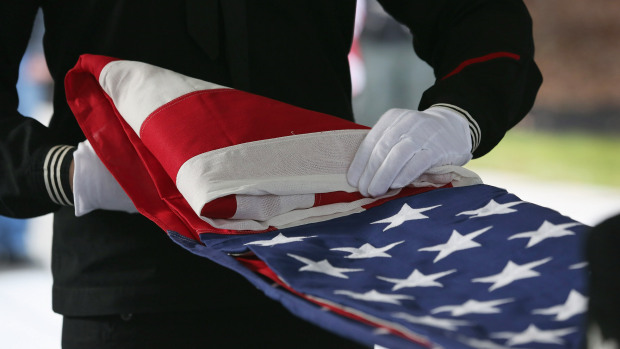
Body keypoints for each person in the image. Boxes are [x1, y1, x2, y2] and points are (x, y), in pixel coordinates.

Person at [0, 1, 541, 348]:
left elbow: (480, 14)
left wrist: (460, 113)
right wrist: (63, 172)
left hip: (320, 272)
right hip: (128, 286)